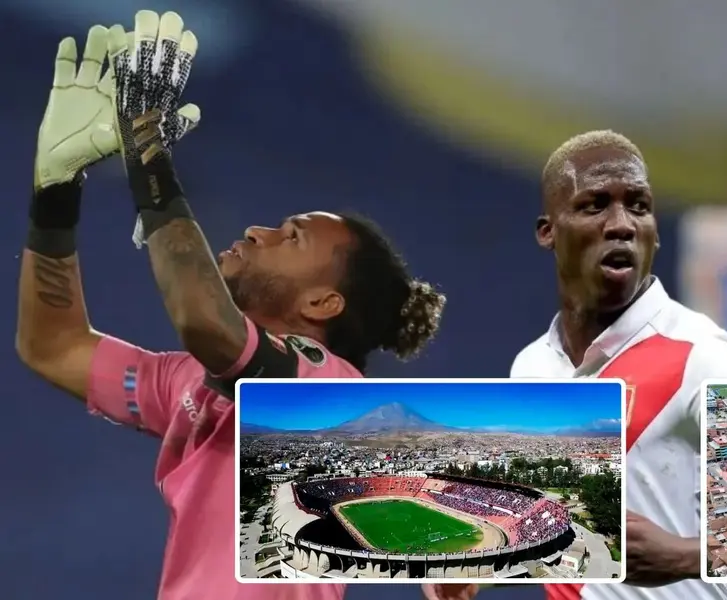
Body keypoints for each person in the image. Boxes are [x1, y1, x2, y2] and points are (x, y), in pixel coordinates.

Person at [17, 15, 443, 600]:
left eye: (290, 237)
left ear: (322, 302)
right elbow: (53, 345)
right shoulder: (195, 383)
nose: (258, 230)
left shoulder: (327, 392)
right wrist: (56, 189)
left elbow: (204, 320)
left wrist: (147, 150)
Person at [422, 130, 727, 600]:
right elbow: (555, 515)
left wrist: (687, 556)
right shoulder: (533, 368)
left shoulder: (705, 357)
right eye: (595, 205)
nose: (622, 223)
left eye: (639, 206)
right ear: (548, 231)